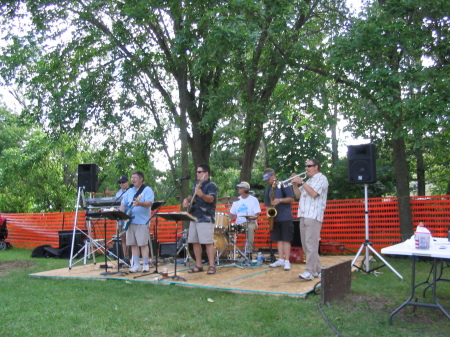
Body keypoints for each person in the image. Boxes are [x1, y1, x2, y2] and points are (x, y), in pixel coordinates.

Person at [291, 159, 329, 281]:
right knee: (306, 245)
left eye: (309, 166)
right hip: (303, 215)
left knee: (311, 245)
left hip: (313, 215)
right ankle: (318, 270)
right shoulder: (309, 180)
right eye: (306, 166)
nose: (306, 168)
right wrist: (295, 184)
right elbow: (297, 196)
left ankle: (309, 272)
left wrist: (301, 181)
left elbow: (313, 193)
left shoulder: (321, 178)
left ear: (316, 167)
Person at [182, 164, 218, 275]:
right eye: (197, 172)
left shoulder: (212, 185)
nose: (197, 174)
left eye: (199, 172)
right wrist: (186, 200)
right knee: (194, 241)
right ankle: (199, 265)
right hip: (194, 216)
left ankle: (212, 266)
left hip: (206, 217)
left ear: (206, 173)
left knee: (207, 242)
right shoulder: (196, 184)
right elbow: (192, 196)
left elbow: (211, 199)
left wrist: (201, 194)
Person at [119, 171, 154, 273]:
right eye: (132, 177)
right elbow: (123, 203)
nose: (133, 179)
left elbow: (149, 203)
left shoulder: (147, 190)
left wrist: (139, 204)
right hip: (130, 221)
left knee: (143, 243)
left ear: (141, 179)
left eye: (135, 177)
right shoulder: (129, 191)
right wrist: (121, 215)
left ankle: (146, 264)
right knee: (133, 244)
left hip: (142, 221)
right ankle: (136, 264)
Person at [263, 168, 295, 271]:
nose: (267, 181)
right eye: (266, 179)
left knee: (286, 239)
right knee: (279, 239)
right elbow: (267, 204)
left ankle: (287, 261)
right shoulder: (268, 189)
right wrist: (268, 213)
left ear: (274, 175)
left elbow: (291, 198)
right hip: (275, 217)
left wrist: (280, 200)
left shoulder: (284, 184)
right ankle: (280, 259)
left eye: (268, 178)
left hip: (285, 216)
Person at [229, 182, 261, 254]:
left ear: (246, 189)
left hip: (250, 222)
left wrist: (251, 218)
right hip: (239, 224)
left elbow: (257, 215)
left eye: (240, 187)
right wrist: (226, 217)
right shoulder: (236, 200)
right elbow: (232, 215)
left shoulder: (254, 200)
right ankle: (226, 252)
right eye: (238, 187)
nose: (238, 189)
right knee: (226, 229)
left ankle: (249, 251)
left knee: (249, 228)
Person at [115, 175, 131, 265]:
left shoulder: (131, 191)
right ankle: (126, 257)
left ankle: (134, 258)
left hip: (129, 219)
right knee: (123, 238)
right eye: (120, 183)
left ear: (127, 182)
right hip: (120, 220)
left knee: (131, 239)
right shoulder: (118, 193)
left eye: (123, 182)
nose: (121, 184)